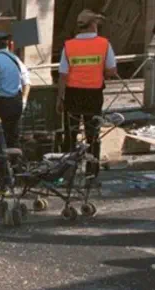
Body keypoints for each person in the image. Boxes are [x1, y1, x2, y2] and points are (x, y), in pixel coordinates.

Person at [57, 9, 117, 178]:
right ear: (92, 25)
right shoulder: (104, 44)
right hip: (94, 95)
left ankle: (67, 172)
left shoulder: (69, 45)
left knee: (70, 133)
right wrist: (100, 72)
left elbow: (63, 74)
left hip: (72, 95)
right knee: (93, 134)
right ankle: (92, 171)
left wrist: (60, 98)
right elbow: (112, 70)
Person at [0, 29, 30, 150]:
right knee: (13, 138)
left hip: (2, 105)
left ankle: (2, 165)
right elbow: (27, 82)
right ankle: (15, 164)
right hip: (16, 103)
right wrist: (24, 100)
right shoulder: (16, 60)